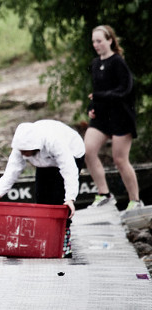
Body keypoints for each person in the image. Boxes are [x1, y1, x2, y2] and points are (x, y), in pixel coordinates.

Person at [0, 120, 85, 257]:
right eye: (22, 151)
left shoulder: (53, 141)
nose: (24, 154)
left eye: (26, 151)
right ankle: (46, 240)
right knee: (42, 199)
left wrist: (70, 198)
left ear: (35, 146)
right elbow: (11, 172)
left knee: (59, 201)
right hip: (45, 162)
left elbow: (69, 169)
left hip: (72, 152)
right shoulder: (20, 148)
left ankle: (64, 242)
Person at [84, 25, 143, 210]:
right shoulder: (95, 64)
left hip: (120, 117)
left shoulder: (118, 62)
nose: (96, 44)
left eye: (99, 40)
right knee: (87, 150)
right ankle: (104, 194)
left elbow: (124, 90)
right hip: (102, 118)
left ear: (110, 40)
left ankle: (135, 200)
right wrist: (91, 107)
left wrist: (99, 98)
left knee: (119, 159)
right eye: (94, 41)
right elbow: (96, 92)